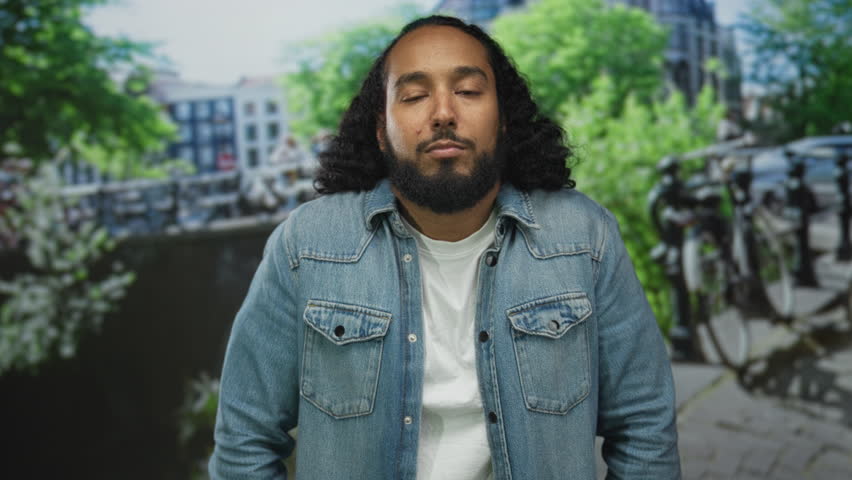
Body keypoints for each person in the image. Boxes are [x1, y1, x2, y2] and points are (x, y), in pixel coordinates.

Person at [209, 15, 680, 479]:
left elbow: (644, 426)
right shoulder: (307, 247)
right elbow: (244, 439)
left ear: (504, 119)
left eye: (469, 91)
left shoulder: (585, 238)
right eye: (414, 96)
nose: (442, 113)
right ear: (381, 129)